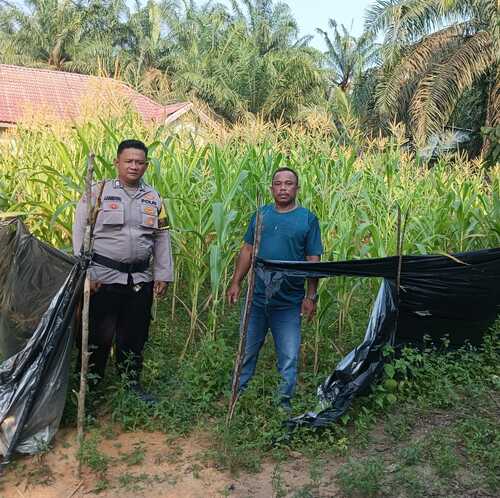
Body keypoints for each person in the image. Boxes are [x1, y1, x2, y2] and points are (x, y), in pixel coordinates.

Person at [72, 139, 173, 403]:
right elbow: (79, 231)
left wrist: (163, 273)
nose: (134, 166)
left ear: (146, 166)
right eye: (128, 161)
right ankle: (90, 392)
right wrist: (85, 274)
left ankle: (131, 387)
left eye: (140, 162)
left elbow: (162, 237)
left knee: (134, 336)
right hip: (102, 279)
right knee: (97, 337)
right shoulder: (98, 191)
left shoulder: (153, 198)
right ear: (117, 162)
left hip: (140, 279)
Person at [227, 167, 322, 411]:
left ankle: (283, 407)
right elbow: (248, 250)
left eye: (288, 184)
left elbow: (313, 258)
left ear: (297, 189)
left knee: (288, 358)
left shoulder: (307, 219)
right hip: (256, 300)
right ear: (271, 188)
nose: (283, 188)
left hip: (289, 303)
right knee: (246, 352)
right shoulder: (261, 215)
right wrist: (236, 281)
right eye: (278, 183)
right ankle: (237, 401)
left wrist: (311, 295)